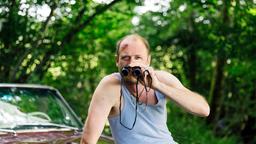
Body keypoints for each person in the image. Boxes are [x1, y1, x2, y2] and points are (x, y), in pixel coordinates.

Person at [81, 34, 210, 144]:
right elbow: (88, 140)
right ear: (117, 61)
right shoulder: (110, 86)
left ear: (148, 60)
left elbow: (203, 110)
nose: (131, 64)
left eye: (138, 58)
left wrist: (158, 86)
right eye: (126, 58)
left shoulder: (162, 78)